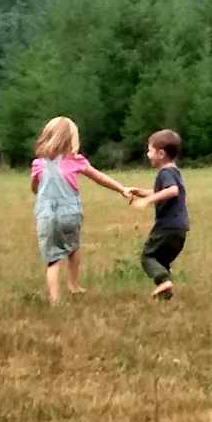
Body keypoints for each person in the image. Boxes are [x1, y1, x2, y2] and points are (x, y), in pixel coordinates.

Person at [31, 116, 131, 304]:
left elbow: (35, 188)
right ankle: (73, 284)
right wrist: (121, 188)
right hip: (70, 214)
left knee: (52, 260)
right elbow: (98, 177)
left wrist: (39, 187)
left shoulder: (38, 163)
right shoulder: (75, 160)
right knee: (73, 247)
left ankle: (55, 299)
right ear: (71, 139)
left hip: (46, 216)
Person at [127, 128, 189, 301]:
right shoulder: (175, 171)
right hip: (180, 229)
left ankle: (163, 281)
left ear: (160, 153)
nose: (147, 154)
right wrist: (140, 192)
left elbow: (172, 191)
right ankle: (165, 292)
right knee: (162, 261)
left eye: (149, 150)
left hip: (166, 228)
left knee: (148, 256)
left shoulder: (165, 173)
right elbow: (162, 191)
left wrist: (148, 201)